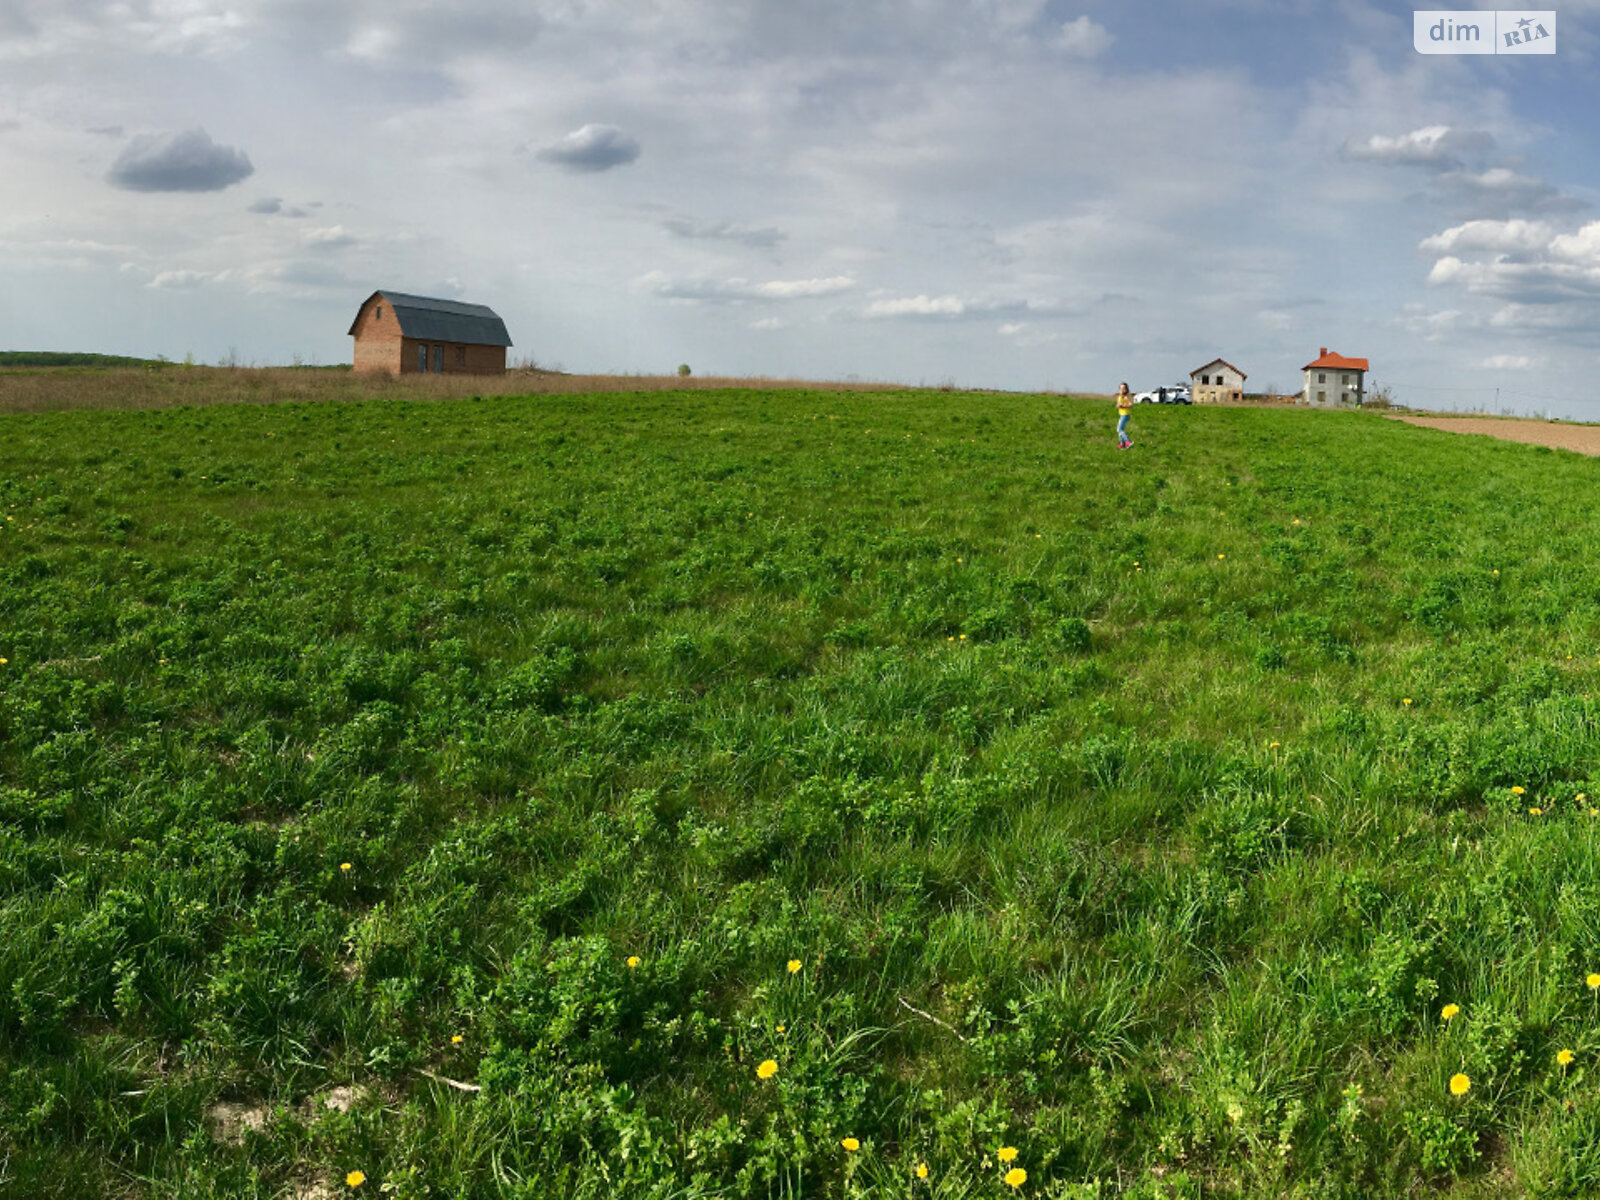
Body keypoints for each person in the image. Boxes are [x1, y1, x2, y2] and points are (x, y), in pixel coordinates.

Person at [1115, 382, 1133, 449]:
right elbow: (1119, 404)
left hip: (1125, 415)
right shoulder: (1120, 396)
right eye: (1121, 389)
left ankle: (1127, 441)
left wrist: (1123, 406)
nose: (1122, 390)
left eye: (1124, 389)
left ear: (1126, 389)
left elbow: (1131, 404)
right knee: (1120, 430)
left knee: (1119, 429)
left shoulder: (1126, 396)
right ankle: (1122, 444)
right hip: (1121, 414)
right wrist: (1118, 406)